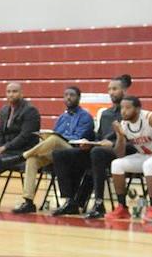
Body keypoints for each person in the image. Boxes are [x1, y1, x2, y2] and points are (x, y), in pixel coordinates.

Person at [50, 75, 131, 218]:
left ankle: (99, 204)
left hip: (122, 151)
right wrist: (88, 142)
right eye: (109, 89)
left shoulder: (130, 111)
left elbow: (133, 139)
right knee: (60, 154)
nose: (111, 92)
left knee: (97, 153)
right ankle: (70, 201)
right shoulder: (106, 114)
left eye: (115, 89)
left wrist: (110, 143)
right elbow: (99, 137)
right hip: (99, 151)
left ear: (124, 90)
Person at [11, 86, 94, 214]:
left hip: (74, 151)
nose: (68, 97)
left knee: (54, 139)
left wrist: (57, 137)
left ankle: (23, 155)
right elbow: (55, 135)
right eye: (66, 95)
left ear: (78, 97)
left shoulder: (85, 117)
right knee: (33, 159)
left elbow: (78, 137)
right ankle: (28, 201)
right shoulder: (62, 117)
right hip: (57, 152)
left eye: (72, 95)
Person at [105, 96, 152, 220]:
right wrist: (120, 136)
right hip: (144, 156)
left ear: (138, 109)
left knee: (149, 165)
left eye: (128, 108)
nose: (123, 111)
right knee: (116, 164)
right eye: (122, 108)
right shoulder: (124, 124)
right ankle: (122, 208)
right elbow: (120, 154)